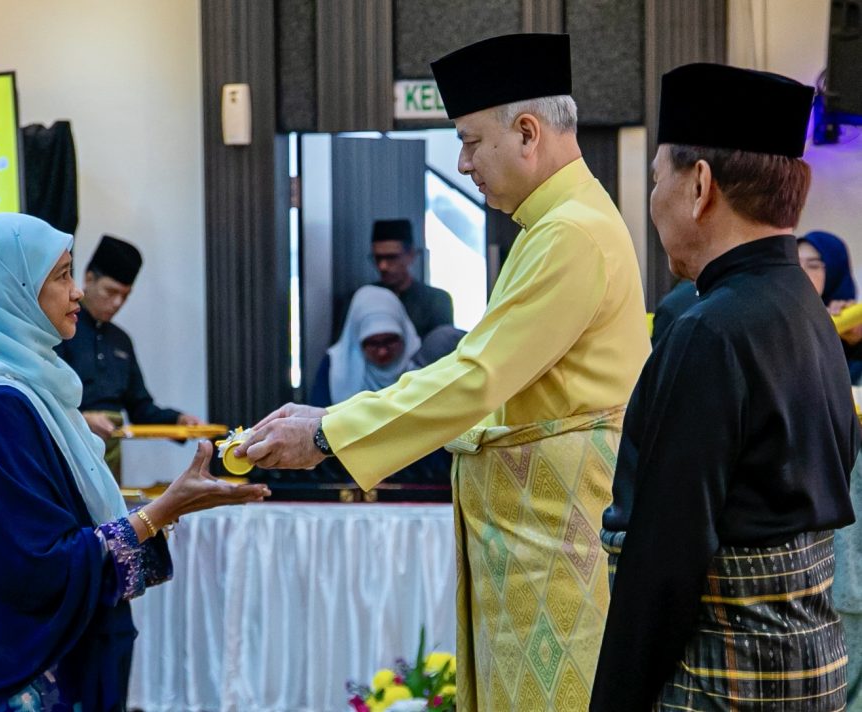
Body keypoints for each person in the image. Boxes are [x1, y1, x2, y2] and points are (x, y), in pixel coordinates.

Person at [237, 33, 649, 710]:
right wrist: (328, 418)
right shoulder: (554, 226)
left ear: (527, 132)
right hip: (538, 539)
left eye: (469, 141)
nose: (462, 163)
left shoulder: (570, 233)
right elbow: (480, 374)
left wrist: (329, 433)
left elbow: (477, 378)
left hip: (557, 542)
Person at [0, 213, 269, 709]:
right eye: (61, 276)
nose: (76, 291)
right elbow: (36, 567)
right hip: (11, 672)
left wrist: (167, 506)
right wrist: (160, 511)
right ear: (9, 292)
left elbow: (58, 524)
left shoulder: (33, 388)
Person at [590, 63, 858, 711]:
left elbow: (665, 557)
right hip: (810, 667)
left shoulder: (710, 330)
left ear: (700, 185)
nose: (653, 200)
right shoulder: (806, 311)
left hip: (725, 677)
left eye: (657, 178)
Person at [55, 234, 202, 481]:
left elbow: (140, 406)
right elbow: (45, 398)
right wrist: (82, 418)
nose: (117, 303)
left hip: (110, 450)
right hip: (66, 445)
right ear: (89, 279)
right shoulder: (61, 329)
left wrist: (177, 420)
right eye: (111, 292)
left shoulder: (120, 340)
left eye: (125, 296)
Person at [309, 285, 420, 408]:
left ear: (404, 336)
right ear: (357, 340)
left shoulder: (421, 364)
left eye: (390, 341)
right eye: (373, 343)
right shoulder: (335, 367)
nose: (382, 352)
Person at [365, 219, 453, 338]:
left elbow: (442, 343)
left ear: (410, 255)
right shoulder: (363, 300)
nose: (383, 266)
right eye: (378, 258)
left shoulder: (436, 301)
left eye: (391, 257)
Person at [797, 230, 862, 382]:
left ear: (835, 271)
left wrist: (855, 342)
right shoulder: (775, 315)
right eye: (794, 264)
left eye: (813, 265)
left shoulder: (852, 321)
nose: (800, 273)